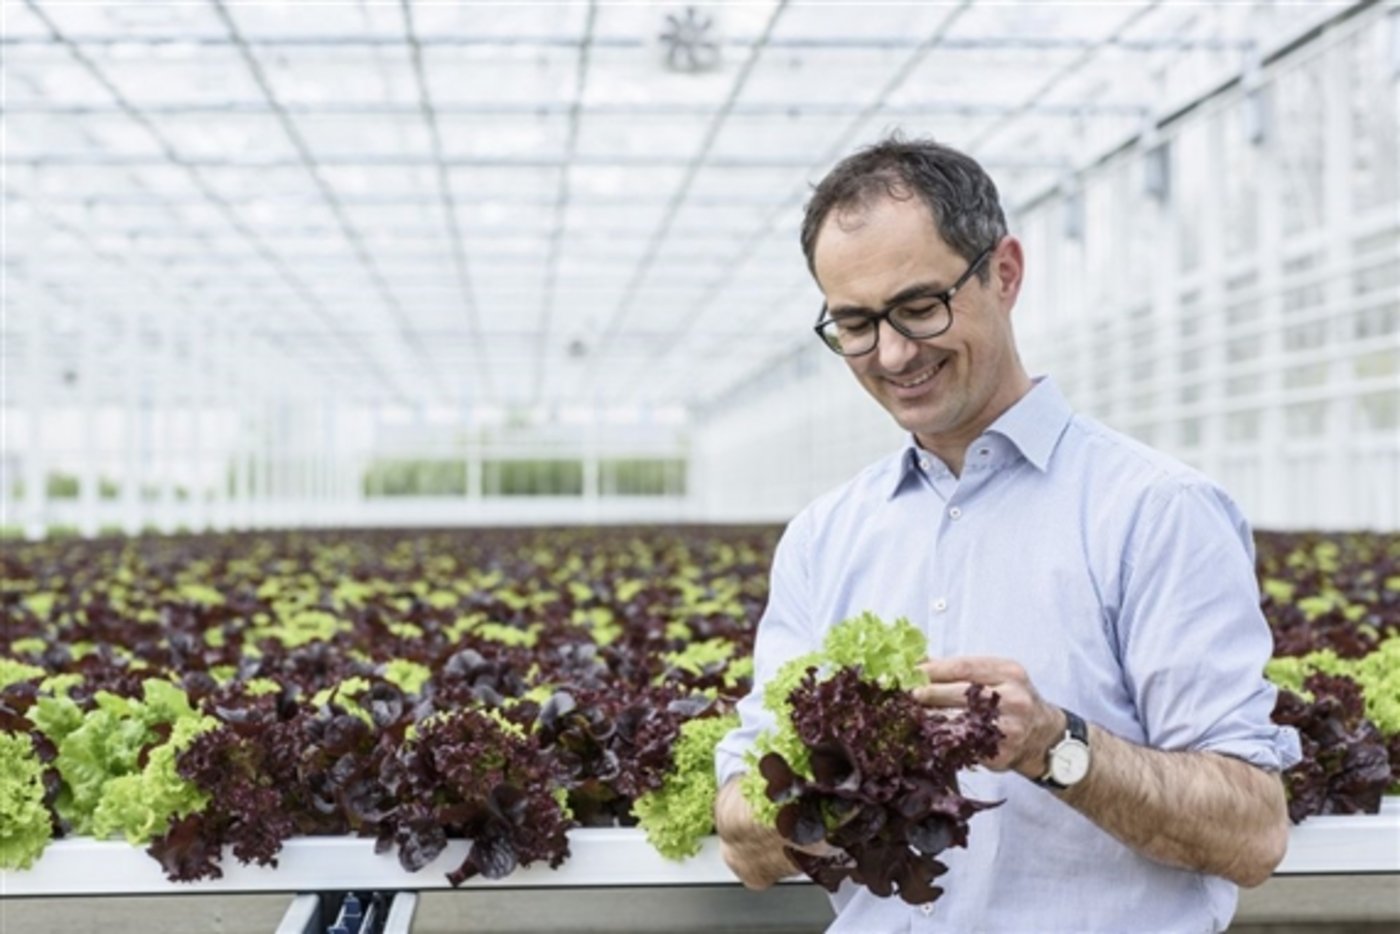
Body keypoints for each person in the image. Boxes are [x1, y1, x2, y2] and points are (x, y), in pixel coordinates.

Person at [712, 135, 1300, 933]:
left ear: (1005, 273)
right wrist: (830, 769)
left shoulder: (1156, 511)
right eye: (854, 323)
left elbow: (1252, 832)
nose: (891, 353)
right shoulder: (825, 537)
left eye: (920, 307)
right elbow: (745, 844)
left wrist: (1054, 746)